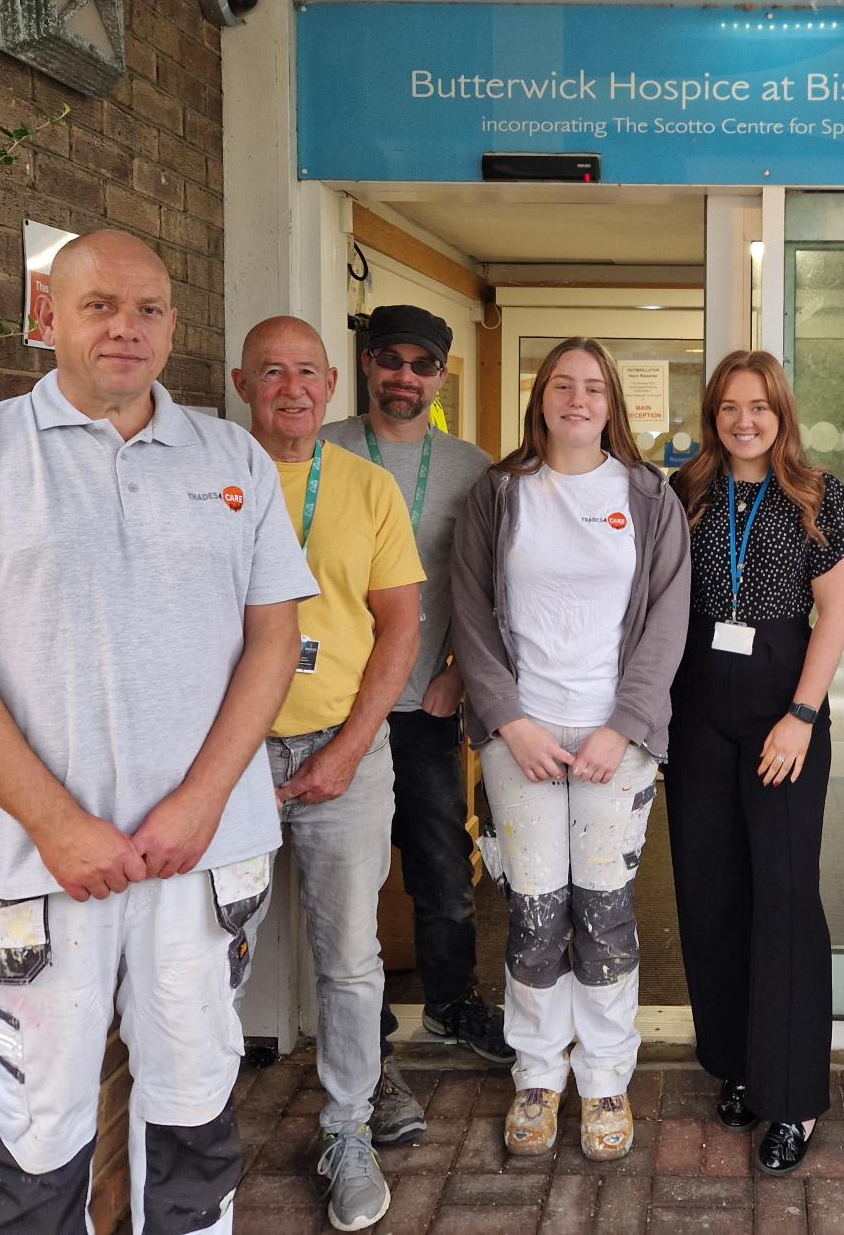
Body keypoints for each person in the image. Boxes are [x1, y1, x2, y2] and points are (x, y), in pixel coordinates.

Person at [0, 231, 319, 1233]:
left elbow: (273, 640)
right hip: (33, 868)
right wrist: (61, 825)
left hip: (199, 859)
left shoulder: (231, 456)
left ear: (172, 325)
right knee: (36, 1126)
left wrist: (203, 800)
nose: (127, 327)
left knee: (196, 1103)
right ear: (50, 319)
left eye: (149, 308)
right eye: (99, 306)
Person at [451, 337, 691, 1161]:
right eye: (563, 384)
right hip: (523, 736)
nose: (578, 399)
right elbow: (472, 617)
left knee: (606, 913)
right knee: (535, 912)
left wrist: (623, 725)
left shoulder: (648, 496)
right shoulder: (500, 493)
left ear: (613, 403)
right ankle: (538, 1074)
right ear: (541, 397)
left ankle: (606, 1079)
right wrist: (508, 721)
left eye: (594, 387)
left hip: (613, 741)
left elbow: (667, 621)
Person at [234, 316, 424, 1231]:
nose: (293, 388)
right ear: (243, 384)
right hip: (223, 761)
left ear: (332, 383)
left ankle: (347, 1127)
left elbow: (401, 628)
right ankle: (195, 1130)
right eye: (273, 371)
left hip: (342, 748)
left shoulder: (367, 486)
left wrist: (350, 746)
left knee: (350, 959)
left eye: (308, 371)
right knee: (204, 954)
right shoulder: (209, 477)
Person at [665, 350, 844, 1174]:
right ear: (711, 415)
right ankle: (739, 1063)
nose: (744, 421)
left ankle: (794, 1099)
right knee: (712, 890)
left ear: (782, 411)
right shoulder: (682, 494)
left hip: (782, 709)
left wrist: (802, 715)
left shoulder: (820, 494)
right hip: (698, 708)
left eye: (759, 406)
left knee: (784, 896)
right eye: (728, 408)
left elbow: (839, 610)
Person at [319, 304, 510, 1152]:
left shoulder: (473, 469)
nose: (405, 377)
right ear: (366, 367)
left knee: (441, 863)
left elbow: (493, 588)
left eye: (422, 366)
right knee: (348, 882)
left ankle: (450, 1003)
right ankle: (367, 1039)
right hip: (329, 709)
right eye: (389, 361)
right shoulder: (319, 448)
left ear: (442, 376)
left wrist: (460, 672)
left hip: (426, 707)